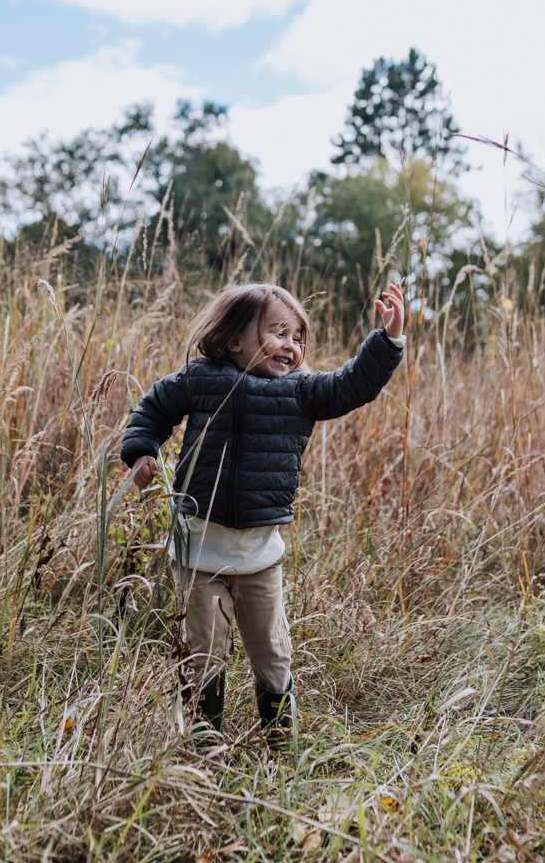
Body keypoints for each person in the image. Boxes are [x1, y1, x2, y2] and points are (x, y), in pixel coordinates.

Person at [120, 281, 406, 750]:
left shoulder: (301, 392)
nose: (291, 346)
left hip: (259, 557)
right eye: (278, 333)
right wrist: (141, 452)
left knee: (272, 654)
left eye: (297, 337)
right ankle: (204, 746)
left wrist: (387, 341)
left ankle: (278, 745)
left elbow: (353, 385)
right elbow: (151, 409)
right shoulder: (199, 378)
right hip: (199, 552)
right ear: (234, 340)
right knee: (202, 655)